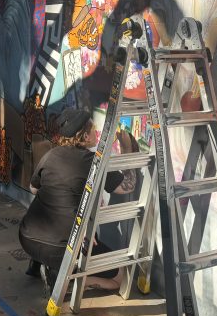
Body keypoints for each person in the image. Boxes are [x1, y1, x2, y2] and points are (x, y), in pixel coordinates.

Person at [18, 108, 137, 293]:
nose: (97, 132)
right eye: (94, 129)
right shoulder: (92, 162)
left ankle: (41, 264)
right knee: (121, 278)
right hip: (61, 248)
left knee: (58, 226)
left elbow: (34, 188)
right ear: (85, 136)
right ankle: (64, 281)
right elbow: (126, 187)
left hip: (27, 238)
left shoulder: (51, 155)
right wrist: (127, 148)